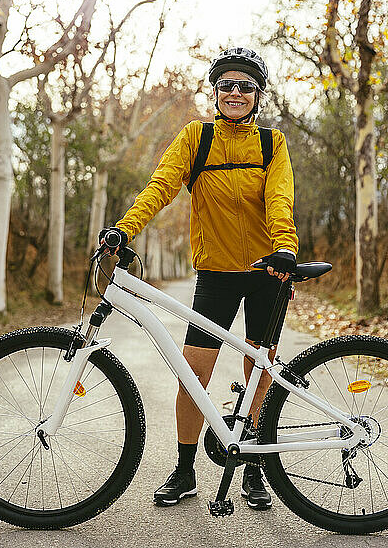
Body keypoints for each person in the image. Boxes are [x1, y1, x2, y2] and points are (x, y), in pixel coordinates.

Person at [111, 47, 299, 511]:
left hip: (267, 272)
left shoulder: (272, 145)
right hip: (214, 274)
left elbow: (279, 199)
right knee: (194, 371)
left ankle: (254, 466)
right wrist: (124, 227)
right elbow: (162, 185)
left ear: (258, 96)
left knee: (260, 371)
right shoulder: (198, 137)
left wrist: (285, 247)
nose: (235, 93)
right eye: (227, 85)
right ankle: (185, 468)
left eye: (246, 86)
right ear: (215, 91)